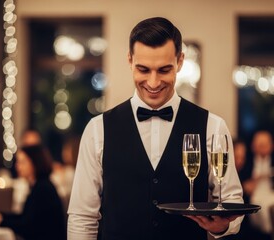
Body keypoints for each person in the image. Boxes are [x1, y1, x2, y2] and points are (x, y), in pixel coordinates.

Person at [67, 17, 244, 240]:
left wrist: (220, 227)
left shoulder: (213, 126)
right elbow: (82, 217)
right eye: (143, 69)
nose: (153, 82)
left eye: (164, 70)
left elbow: (232, 202)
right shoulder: (97, 129)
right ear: (130, 60)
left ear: (180, 61)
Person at [0, 144, 66, 240]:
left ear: (35, 163)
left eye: (22, 162)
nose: (17, 166)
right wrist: (1, 216)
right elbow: (26, 217)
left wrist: (0, 221)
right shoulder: (40, 185)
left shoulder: (43, 189)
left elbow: (28, 227)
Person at [243, 130, 274, 239]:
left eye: (265, 145)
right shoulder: (247, 162)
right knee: (262, 208)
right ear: (253, 146)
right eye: (259, 145)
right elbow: (243, 183)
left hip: (271, 192)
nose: (262, 148)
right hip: (255, 194)